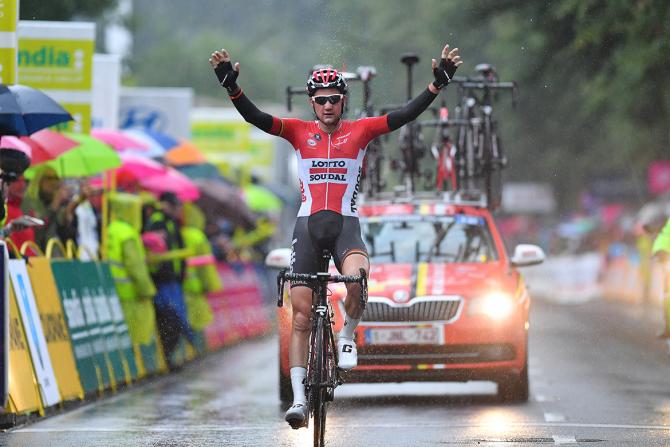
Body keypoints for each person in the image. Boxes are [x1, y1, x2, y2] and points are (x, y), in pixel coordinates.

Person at [209, 43, 462, 427]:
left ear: (343, 101)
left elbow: (403, 116)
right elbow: (257, 118)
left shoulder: (360, 131)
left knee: (358, 281)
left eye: (334, 99)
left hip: (345, 225)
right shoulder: (297, 132)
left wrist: (436, 86)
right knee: (300, 316)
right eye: (321, 99)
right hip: (308, 225)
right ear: (312, 103)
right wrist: (232, 89)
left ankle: (347, 334)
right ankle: (298, 400)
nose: (328, 105)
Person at [145, 191, 195, 370]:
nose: (178, 210)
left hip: (174, 280)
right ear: (166, 204)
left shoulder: (172, 222)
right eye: (176, 206)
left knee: (176, 319)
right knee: (170, 319)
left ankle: (171, 357)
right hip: (162, 281)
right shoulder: (157, 221)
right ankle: (168, 358)